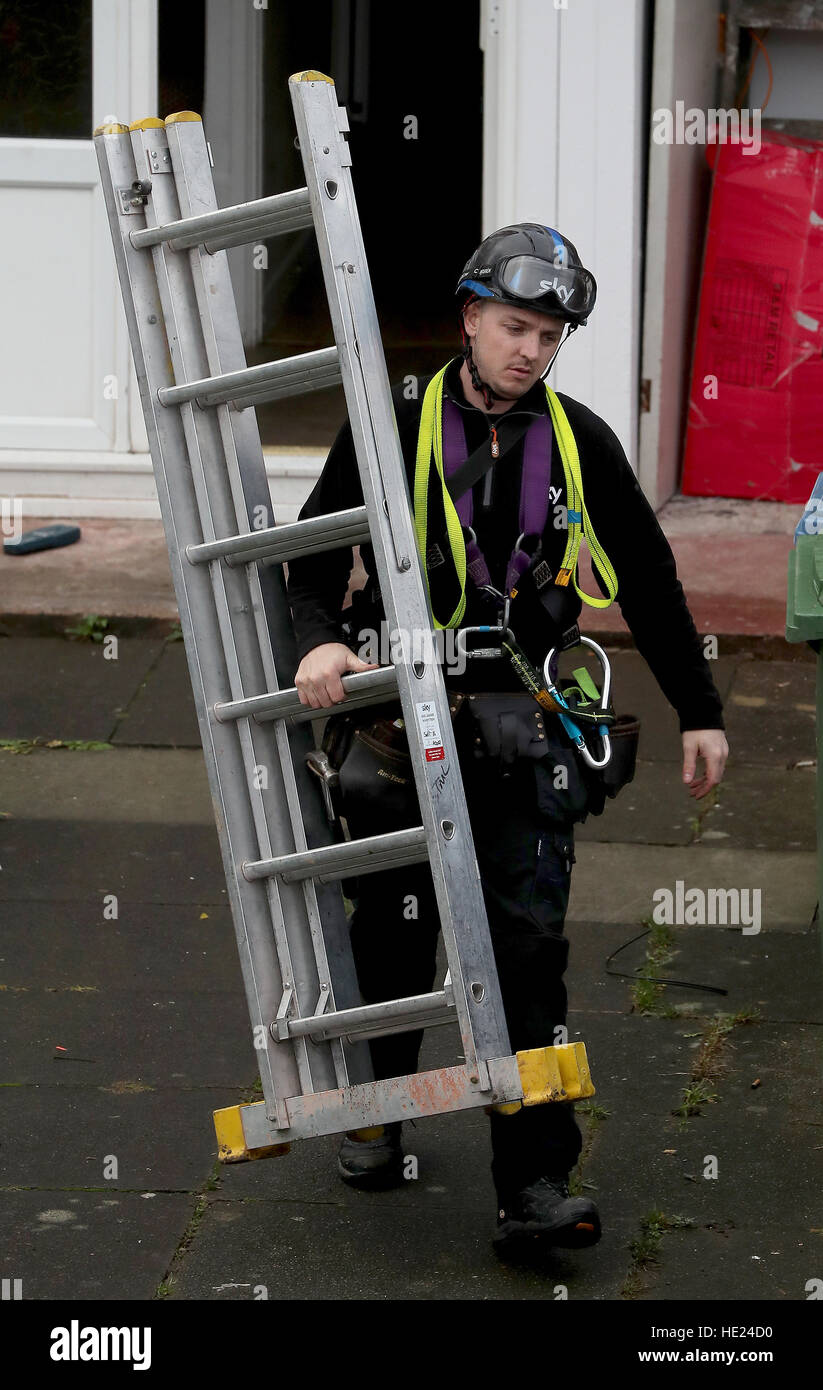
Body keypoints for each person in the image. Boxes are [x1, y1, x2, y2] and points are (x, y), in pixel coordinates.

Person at [286, 223, 729, 1249]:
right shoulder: (391, 425)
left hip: (524, 722)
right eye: (515, 326)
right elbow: (311, 560)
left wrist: (699, 709)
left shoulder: (580, 441)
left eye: (549, 335)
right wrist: (315, 643)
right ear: (471, 317)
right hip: (399, 717)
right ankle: (373, 1116)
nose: (530, 350)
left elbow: (653, 583)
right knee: (393, 939)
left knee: (526, 960)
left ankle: (532, 1188)